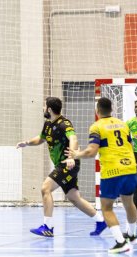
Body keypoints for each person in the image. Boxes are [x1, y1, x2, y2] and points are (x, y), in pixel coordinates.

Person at [16, 97, 106, 237]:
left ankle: (47, 227)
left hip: (67, 164)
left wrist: (71, 158)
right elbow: (40, 139)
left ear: (49, 109)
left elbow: (73, 139)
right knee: (74, 197)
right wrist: (26, 143)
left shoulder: (64, 123)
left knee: (45, 188)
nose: (43, 108)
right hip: (62, 164)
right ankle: (101, 221)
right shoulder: (48, 124)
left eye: (44, 106)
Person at [66, 97, 137, 253]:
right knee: (129, 202)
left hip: (112, 170)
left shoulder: (96, 126)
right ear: (111, 110)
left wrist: (76, 154)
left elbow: (91, 152)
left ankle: (121, 242)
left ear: (97, 110)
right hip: (130, 167)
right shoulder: (123, 125)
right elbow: (131, 146)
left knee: (106, 208)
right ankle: (132, 235)